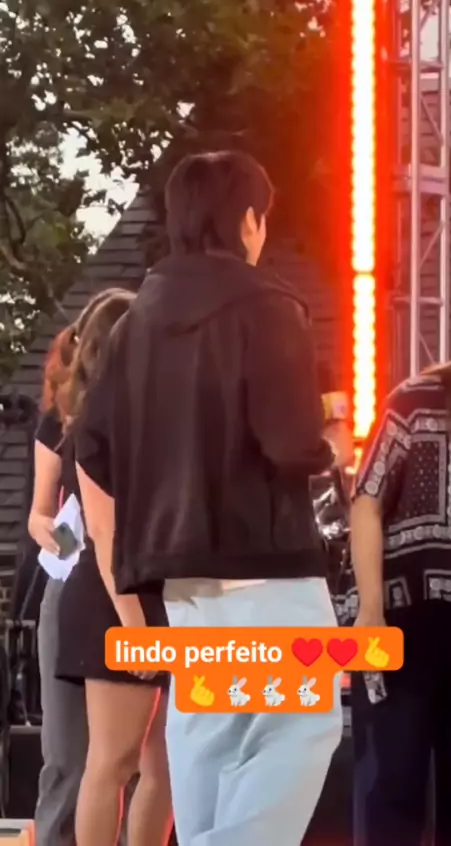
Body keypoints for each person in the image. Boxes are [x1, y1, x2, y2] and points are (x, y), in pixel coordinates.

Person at [72, 150, 343, 846]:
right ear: (248, 220)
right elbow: (291, 444)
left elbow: (91, 445)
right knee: (299, 724)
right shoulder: (268, 305)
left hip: (179, 582)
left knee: (208, 742)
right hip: (267, 564)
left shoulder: (135, 323)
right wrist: (331, 440)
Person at [350, 295, 451, 846]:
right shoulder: (413, 401)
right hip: (404, 617)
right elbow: (366, 500)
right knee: (391, 781)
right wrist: (371, 610)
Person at [54, 292, 172, 846]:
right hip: (116, 600)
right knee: (114, 760)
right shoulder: (98, 426)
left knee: (166, 765)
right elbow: (106, 533)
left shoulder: (153, 419)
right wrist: (135, 626)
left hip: (162, 593)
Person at [30, 292, 122, 846]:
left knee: (128, 756)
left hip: (129, 583)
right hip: (71, 580)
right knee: (68, 753)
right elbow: (40, 516)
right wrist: (73, 540)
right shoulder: (60, 423)